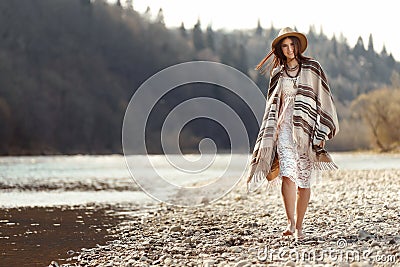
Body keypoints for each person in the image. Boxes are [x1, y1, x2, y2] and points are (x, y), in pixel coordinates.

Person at [247, 27, 339, 239]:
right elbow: (272, 105)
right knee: (288, 175)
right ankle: (290, 223)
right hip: (284, 130)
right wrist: (271, 133)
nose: (289, 49)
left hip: (307, 130)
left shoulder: (313, 68)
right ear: (280, 49)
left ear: (298, 46)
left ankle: (299, 225)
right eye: (285, 46)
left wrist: (322, 131)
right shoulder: (278, 73)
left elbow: (324, 99)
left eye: (292, 45)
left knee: (304, 181)